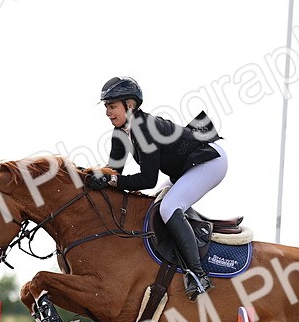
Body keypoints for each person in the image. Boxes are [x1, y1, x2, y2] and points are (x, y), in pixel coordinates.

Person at [85, 76, 227, 300]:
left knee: (169, 207)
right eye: (106, 107)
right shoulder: (120, 133)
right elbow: (114, 172)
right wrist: (91, 177)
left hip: (209, 162)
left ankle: (198, 275)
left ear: (129, 105)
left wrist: (111, 181)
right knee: (153, 207)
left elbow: (147, 179)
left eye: (112, 106)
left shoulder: (145, 128)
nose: (107, 112)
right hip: (185, 169)